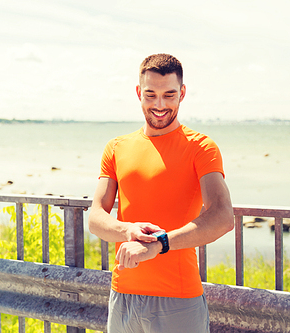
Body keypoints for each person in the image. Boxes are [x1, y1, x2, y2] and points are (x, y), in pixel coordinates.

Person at [88, 53, 234, 333]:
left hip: (178, 301)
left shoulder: (201, 147)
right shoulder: (117, 147)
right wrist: (127, 230)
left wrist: (159, 244)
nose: (159, 105)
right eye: (150, 94)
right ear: (138, 93)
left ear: (182, 93)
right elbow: (95, 217)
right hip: (123, 297)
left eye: (169, 95)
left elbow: (222, 216)